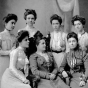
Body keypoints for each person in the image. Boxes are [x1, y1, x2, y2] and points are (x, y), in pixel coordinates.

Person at [0, 13, 18, 85]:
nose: (13, 25)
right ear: (6, 23)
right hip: (2, 61)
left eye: (15, 23)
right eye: (12, 23)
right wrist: (10, 52)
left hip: (11, 62)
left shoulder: (14, 37)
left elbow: (15, 49)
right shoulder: (0, 35)